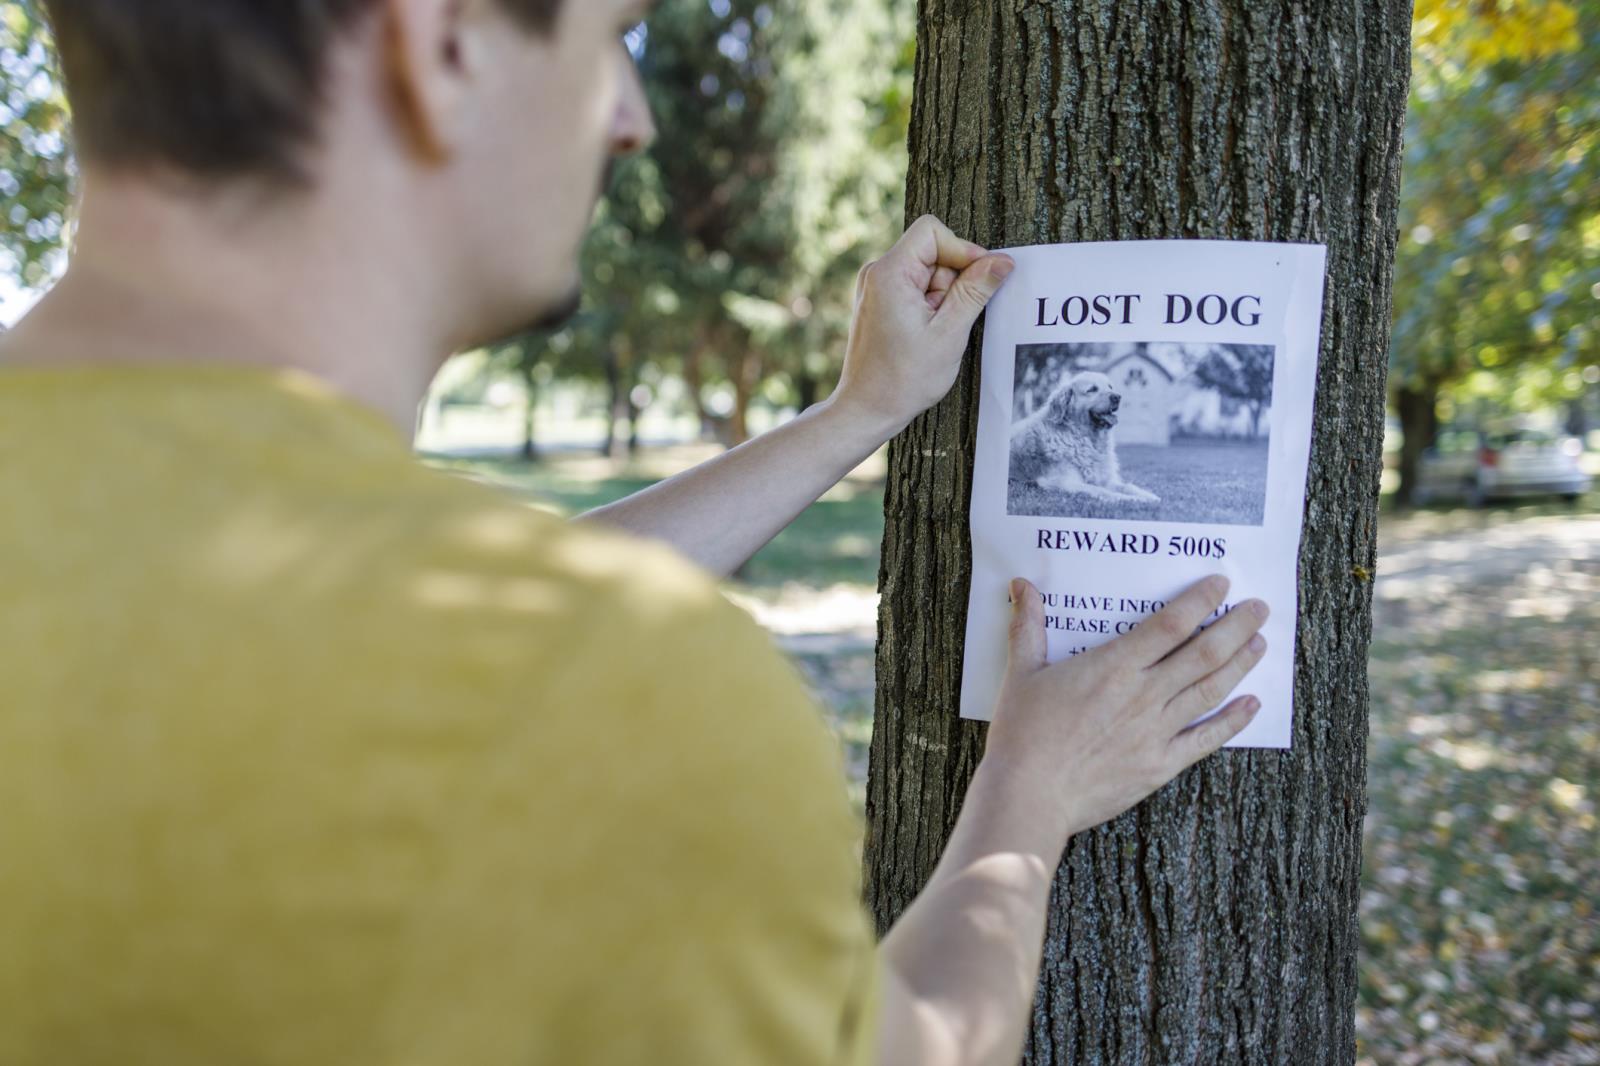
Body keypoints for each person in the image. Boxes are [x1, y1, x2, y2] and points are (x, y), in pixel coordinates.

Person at [0, 2, 1269, 1064]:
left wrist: (857, 415)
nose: (631, 117)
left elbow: (415, 628)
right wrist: (1028, 797)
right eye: (610, 36)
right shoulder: (607, 699)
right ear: (441, 45)